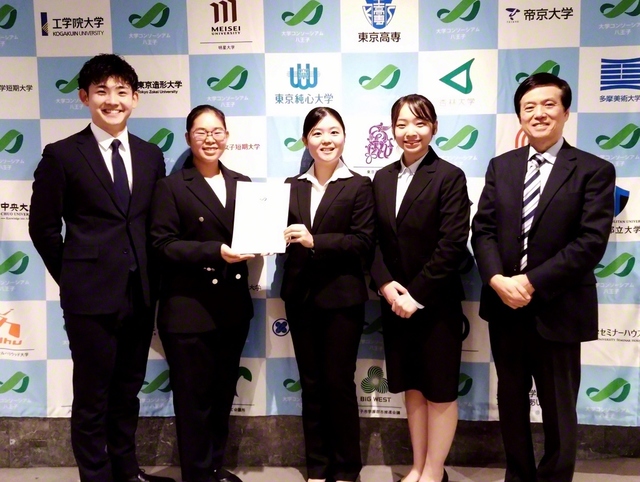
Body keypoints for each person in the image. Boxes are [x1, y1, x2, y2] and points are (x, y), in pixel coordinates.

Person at [28, 54, 171, 482]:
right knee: (92, 396)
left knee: (128, 391)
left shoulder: (150, 155)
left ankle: (127, 471)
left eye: (122, 91)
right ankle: (95, 476)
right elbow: (43, 227)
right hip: (89, 297)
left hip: (140, 294)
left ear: (135, 98)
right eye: (102, 91)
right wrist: (74, 276)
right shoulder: (62, 155)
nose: (113, 100)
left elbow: (153, 224)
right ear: (84, 97)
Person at [471, 73, 615, 482]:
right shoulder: (502, 167)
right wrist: (497, 279)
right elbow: (482, 230)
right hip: (505, 307)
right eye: (529, 107)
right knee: (510, 402)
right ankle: (518, 475)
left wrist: (530, 282)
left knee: (559, 409)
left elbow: (590, 242)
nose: (539, 113)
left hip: (559, 308)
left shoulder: (593, 170)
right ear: (519, 116)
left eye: (549, 104)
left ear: (566, 112)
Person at [149, 105, 253, 482]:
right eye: (201, 132)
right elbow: (162, 244)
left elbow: (254, 231)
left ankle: (214, 467)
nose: (210, 139)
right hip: (188, 311)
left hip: (232, 308)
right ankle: (196, 475)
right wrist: (214, 251)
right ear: (188, 137)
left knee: (222, 396)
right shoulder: (172, 186)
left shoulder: (244, 183)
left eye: (217, 131)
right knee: (194, 403)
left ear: (227, 135)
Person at [370, 94, 470, 482]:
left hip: (435, 304)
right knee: (411, 386)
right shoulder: (381, 178)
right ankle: (417, 466)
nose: (410, 132)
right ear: (392, 129)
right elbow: (373, 241)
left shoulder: (448, 176)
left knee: (439, 391)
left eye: (420, 123)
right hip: (394, 303)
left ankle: (433, 471)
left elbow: (452, 244)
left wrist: (415, 296)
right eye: (401, 124)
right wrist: (385, 285)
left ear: (434, 128)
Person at [280, 107, 375, 482]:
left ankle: (347, 468)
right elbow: (276, 235)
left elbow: (363, 242)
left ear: (344, 138)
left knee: (339, 383)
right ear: (306, 141)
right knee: (311, 385)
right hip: (300, 299)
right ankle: (318, 467)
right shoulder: (291, 185)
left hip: (342, 301)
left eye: (334, 132)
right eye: (317, 133)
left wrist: (314, 240)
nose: (326, 140)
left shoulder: (359, 185)